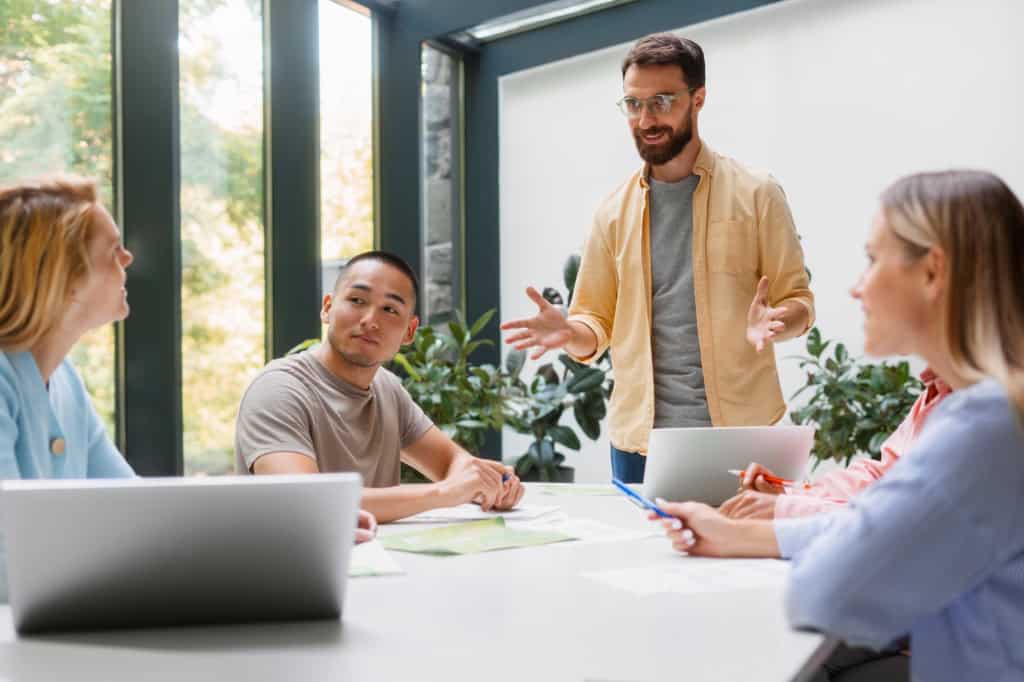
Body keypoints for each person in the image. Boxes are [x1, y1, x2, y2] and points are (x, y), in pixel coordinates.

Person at [652, 170, 1024, 682]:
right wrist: (744, 534)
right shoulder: (987, 407)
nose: (856, 288)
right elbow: (887, 509)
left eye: (873, 261)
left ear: (933, 272)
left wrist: (767, 522)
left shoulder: (988, 426)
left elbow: (826, 591)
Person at [500, 33, 814, 483]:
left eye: (662, 101)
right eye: (633, 104)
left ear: (698, 98)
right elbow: (595, 326)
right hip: (640, 443)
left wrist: (779, 319)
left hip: (742, 435)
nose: (645, 119)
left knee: (751, 552)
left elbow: (800, 300)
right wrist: (569, 331)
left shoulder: (757, 193)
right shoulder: (611, 212)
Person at [235, 250, 525, 523]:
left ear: (409, 332)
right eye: (357, 301)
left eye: (389, 309)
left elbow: (451, 461)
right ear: (327, 308)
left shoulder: (387, 388)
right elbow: (306, 501)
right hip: (295, 570)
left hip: (378, 563)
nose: (370, 320)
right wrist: (444, 494)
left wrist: (484, 481)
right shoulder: (278, 389)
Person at [719, 368, 951, 520]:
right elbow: (883, 479)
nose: (858, 292)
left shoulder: (976, 400)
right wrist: (786, 494)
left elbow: (910, 517)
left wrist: (785, 510)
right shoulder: (937, 389)